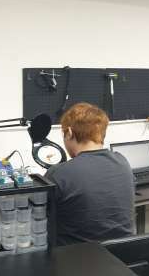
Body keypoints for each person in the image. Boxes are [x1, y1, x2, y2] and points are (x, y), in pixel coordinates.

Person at [45, 102, 135, 246]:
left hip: (77, 258)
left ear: (69, 133)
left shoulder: (58, 173)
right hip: (123, 256)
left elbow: (38, 216)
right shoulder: (122, 162)